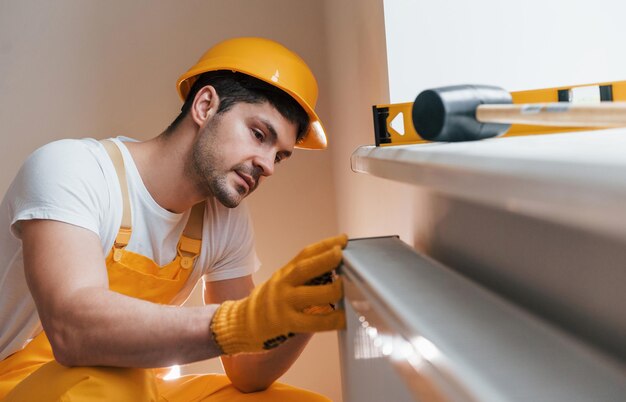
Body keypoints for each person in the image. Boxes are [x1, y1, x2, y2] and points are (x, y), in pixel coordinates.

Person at [0, 37, 347, 401]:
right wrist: (241, 322)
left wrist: (306, 307)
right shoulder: (72, 169)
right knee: (111, 383)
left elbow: (247, 371)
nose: (267, 166)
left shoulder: (225, 218)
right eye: (259, 135)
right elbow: (73, 332)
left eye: (279, 156)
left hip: (138, 387)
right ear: (205, 105)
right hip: (22, 383)